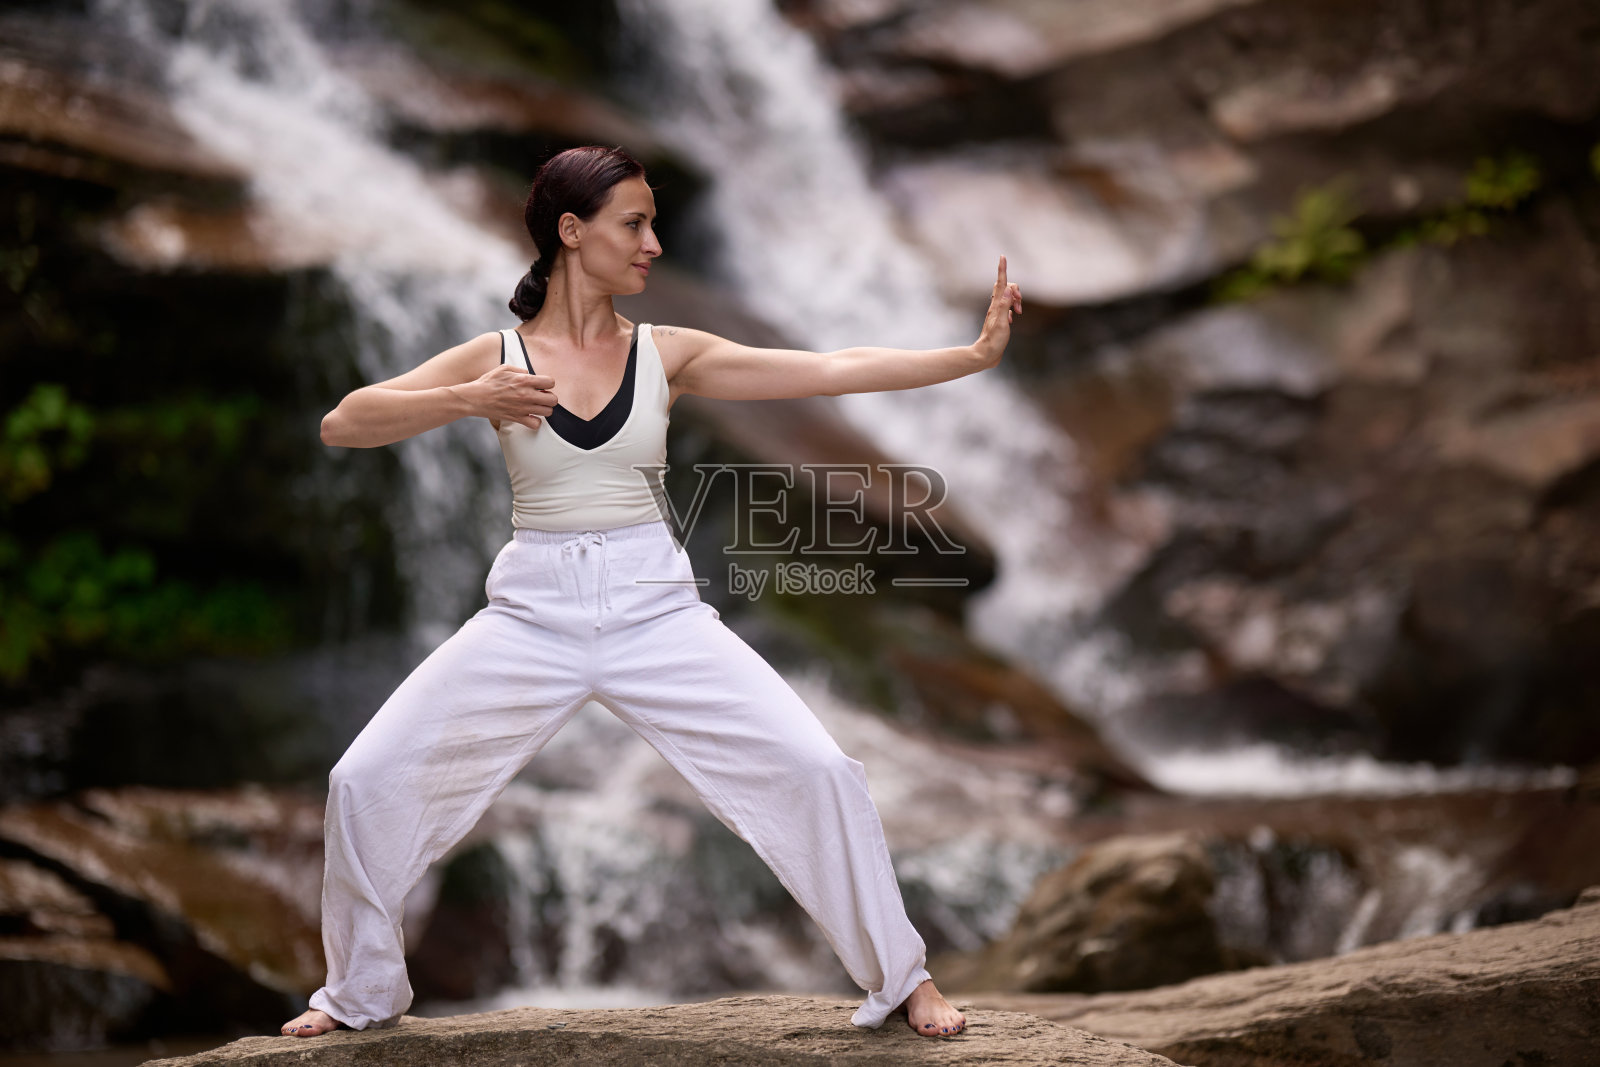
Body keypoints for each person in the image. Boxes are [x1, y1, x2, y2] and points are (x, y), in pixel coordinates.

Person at [279, 144, 1020, 1042]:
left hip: (654, 609)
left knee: (820, 770)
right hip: (533, 613)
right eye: (633, 223)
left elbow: (831, 367)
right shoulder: (496, 357)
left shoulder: (669, 352)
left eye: (653, 224)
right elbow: (344, 421)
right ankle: (358, 991)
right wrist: (471, 398)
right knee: (364, 781)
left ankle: (903, 978)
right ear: (570, 230)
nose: (653, 244)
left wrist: (971, 354)